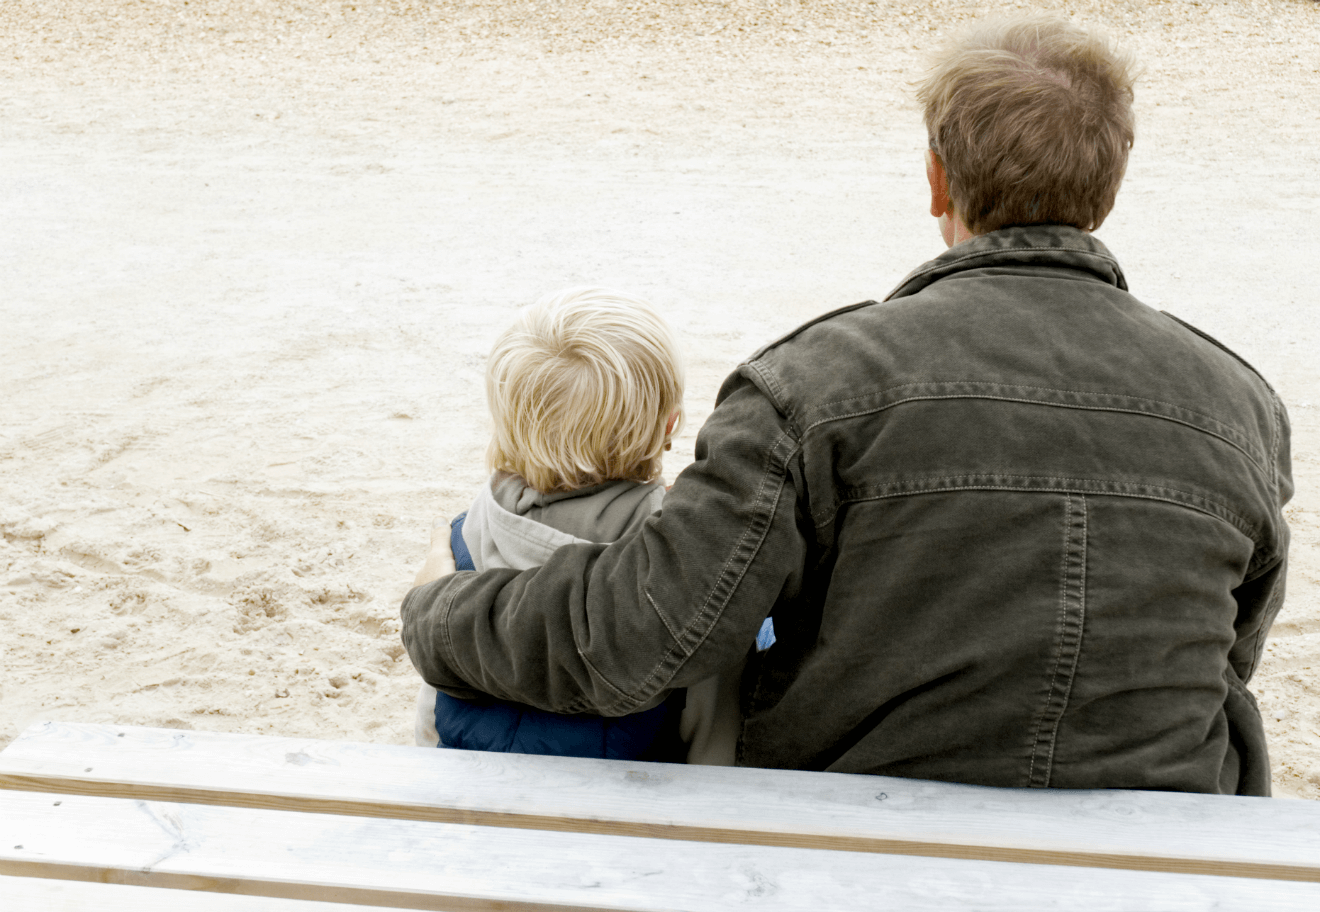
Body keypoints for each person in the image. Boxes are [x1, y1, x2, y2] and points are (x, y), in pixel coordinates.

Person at [402, 16, 1292, 794]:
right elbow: (1229, 654)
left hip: (863, 834)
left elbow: (647, 635)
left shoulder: (808, 386)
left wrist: (442, 617)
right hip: (1168, 835)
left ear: (939, 183)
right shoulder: (1243, 404)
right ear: (1108, 186)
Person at [411, 286, 742, 764]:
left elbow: (433, 701)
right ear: (669, 426)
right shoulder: (678, 559)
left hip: (475, 796)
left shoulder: (465, 535)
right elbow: (713, 735)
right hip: (624, 813)